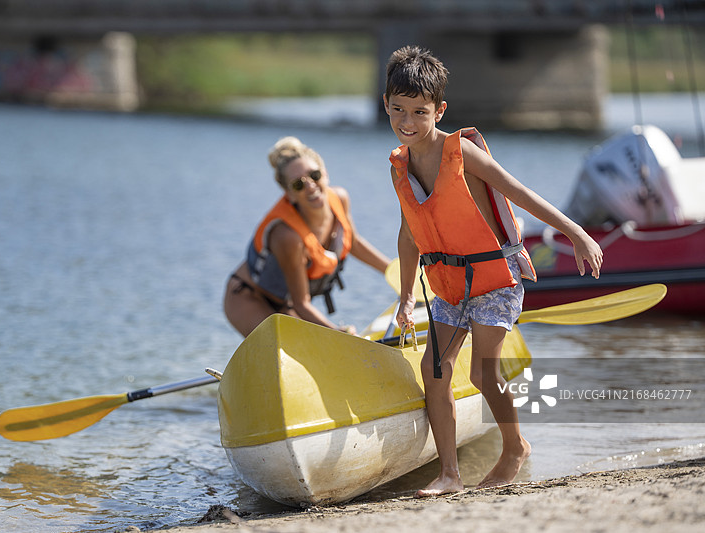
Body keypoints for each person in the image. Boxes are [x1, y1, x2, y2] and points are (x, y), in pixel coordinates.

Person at [382, 46, 603, 496]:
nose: (408, 121)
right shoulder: (400, 167)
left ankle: (514, 448)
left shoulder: (461, 152)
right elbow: (409, 235)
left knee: (483, 373)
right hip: (448, 285)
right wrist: (405, 297)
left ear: (439, 110)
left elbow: (519, 192)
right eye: (399, 109)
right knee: (434, 371)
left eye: (420, 112)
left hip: (495, 279)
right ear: (386, 104)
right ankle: (449, 475)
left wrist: (576, 232)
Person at [224, 136, 391, 337]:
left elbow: (353, 243)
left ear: (325, 173)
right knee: (284, 347)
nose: (310, 186)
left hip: (286, 303)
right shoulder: (288, 236)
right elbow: (302, 303)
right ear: (289, 194)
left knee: (311, 346)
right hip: (248, 297)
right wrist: (338, 333)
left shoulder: (340, 199)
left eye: (315, 175)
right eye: (298, 184)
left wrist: (398, 274)